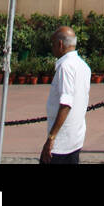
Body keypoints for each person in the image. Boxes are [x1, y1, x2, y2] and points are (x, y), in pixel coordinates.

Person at [40, 26, 91, 165]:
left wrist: (51, 137)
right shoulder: (83, 66)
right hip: (75, 137)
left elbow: (66, 104)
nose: (52, 48)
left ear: (60, 44)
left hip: (61, 143)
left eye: (53, 44)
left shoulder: (66, 67)